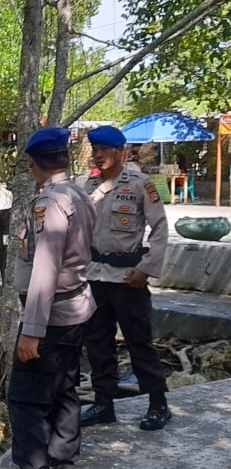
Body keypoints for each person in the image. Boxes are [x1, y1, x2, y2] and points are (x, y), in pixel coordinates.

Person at [8, 127, 97, 469]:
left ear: (32, 161)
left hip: (52, 318)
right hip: (76, 309)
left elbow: (45, 267)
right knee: (64, 388)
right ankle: (63, 459)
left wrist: (32, 331)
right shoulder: (78, 194)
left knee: (27, 399)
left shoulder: (50, 202)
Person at [81, 125, 171, 431]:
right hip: (95, 276)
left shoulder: (140, 184)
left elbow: (160, 229)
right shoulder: (90, 185)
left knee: (139, 341)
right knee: (97, 342)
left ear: (121, 152)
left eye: (104, 150)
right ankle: (103, 403)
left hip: (127, 278)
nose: (98, 155)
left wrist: (146, 268)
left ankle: (158, 403)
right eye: (95, 150)